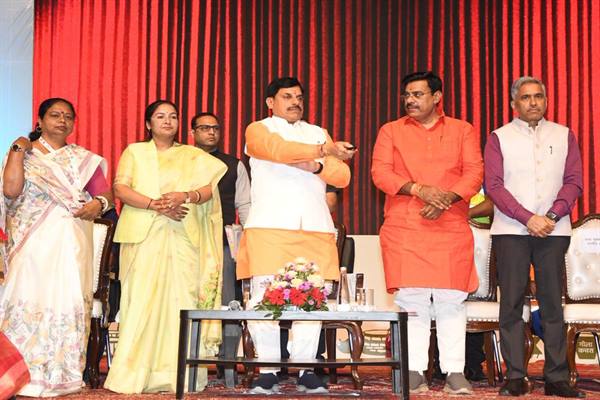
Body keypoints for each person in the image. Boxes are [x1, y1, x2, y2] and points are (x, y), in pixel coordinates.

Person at [236, 76, 355, 394]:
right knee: (264, 299)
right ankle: (267, 370)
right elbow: (276, 150)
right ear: (270, 102)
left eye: (299, 97)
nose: (295, 102)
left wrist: (317, 167)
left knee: (312, 299)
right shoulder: (258, 129)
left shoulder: (317, 131)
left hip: (315, 225)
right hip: (269, 226)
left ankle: (306, 369)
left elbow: (342, 175)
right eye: (287, 96)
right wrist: (322, 152)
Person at [371, 71, 483, 395]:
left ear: (436, 97)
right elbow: (380, 173)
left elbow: (474, 172)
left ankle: (454, 372)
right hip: (405, 225)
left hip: (450, 225)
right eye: (407, 95)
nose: (410, 100)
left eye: (417, 94)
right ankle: (414, 370)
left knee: (451, 301)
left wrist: (446, 198)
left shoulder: (462, 130)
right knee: (412, 300)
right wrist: (420, 190)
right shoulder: (390, 131)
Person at [104, 100, 227, 394]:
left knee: (181, 301)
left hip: (183, 236)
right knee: (140, 301)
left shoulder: (192, 155)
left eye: (173, 116)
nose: (167, 121)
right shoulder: (135, 151)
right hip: (144, 236)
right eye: (160, 116)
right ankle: (133, 375)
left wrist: (186, 195)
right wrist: (155, 205)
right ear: (149, 124)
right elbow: (120, 188)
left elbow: (209, 189)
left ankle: (178, 374)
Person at [0, 98, 113, 396]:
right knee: (26, 301)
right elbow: (10, 190)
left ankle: (63, 375)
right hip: (32, 245)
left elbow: (106, 195)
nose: (62, 121)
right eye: (54, 115)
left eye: (68, 116)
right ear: (40, 120)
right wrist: (19, 147)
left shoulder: (81, 159)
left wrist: (98, 204)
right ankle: (20, 376)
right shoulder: (24, 153)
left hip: (71, 244)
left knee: (66, 301)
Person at [484, 76, 585, 398]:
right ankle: (516, 376)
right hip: (511, 231)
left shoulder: (563, 134)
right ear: (514, 103)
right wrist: (528, 218)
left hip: (553, 231)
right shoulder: (499, 137)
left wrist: (552, 216)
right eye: (526, 97)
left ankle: (557, 378)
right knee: (512, 304)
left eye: (538, 96)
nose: (533, 102)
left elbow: (574, 181)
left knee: (553, 303)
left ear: (546, 100)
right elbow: (494, 186)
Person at [190, 111, 251, 385]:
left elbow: (244, 205)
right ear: (192, 133)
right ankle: (188, 363)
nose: (211, 132)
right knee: (188, 302)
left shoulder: (233, 165)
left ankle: (227, 367)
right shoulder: (182, 160)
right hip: (187, 243)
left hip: (223, 244)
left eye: (215, 128)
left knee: (228, 304)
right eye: (204, 128)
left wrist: (248, 240)